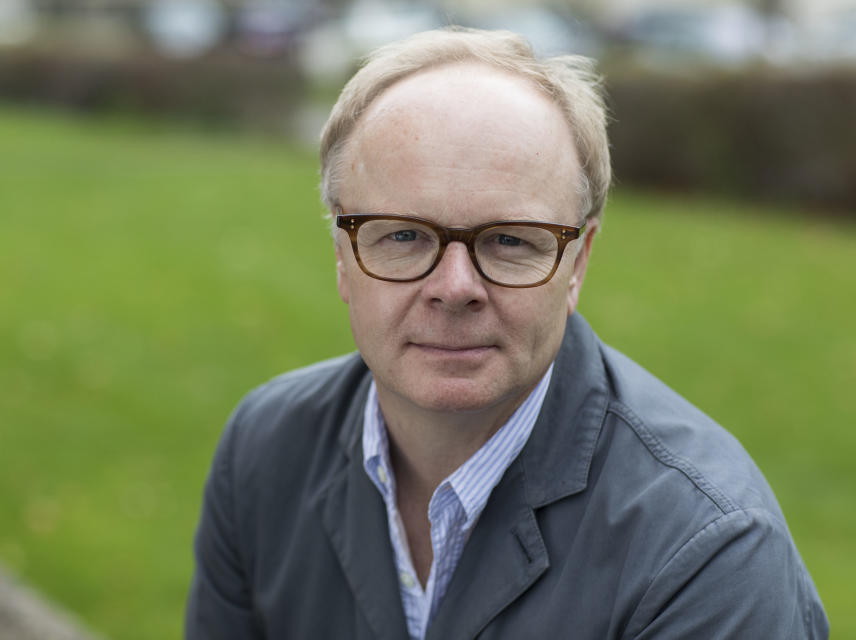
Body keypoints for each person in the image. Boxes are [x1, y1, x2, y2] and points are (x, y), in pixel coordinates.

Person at [185, 27, 828, 640]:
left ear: (577, 264)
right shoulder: (266, 450)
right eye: (404, 235)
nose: (455, 286)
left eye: (510, 240)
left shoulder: (707, 555)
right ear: (341, 257)